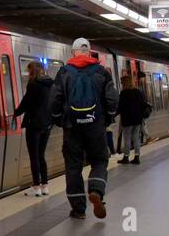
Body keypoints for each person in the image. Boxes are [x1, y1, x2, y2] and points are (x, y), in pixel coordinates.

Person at [50, 38, 118, 220]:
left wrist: (59, 119)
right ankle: (96, 190)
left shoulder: (64, 72)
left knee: (73, 166)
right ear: (89, 53)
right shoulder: (102, 72)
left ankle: (78, 209)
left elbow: (54, 99)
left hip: (72, 127)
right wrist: (108, 117)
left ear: (73, 53)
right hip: (96, 125)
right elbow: (112, 99)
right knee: (100, 160)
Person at [12, 60, 54, 196]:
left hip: (34, 125)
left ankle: (36, 186)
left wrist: (16, 113)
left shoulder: (33, 84)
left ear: (32, 71)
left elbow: (26, 102)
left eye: (28, 70)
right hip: (47, 125)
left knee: (34, 157)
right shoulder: (50, 84)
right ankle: (45, 186)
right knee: (41, 156)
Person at [116, 74, 150, 164]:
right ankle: (137, 157)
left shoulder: (123, 93)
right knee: (136, 138)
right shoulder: (138, 92)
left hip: (127, 120)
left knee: (127, 138)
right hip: (137, 120)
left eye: (122, 82)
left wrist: (113, 115)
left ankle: (126, 157)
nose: (121, 84)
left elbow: (120, 107)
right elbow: (143, 105)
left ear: (124, 83)